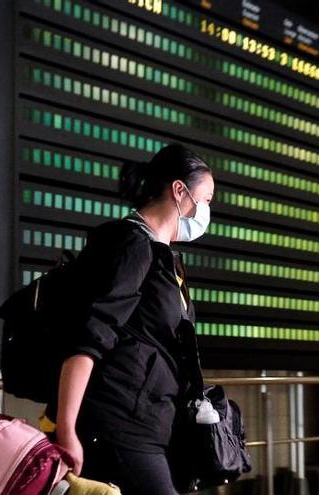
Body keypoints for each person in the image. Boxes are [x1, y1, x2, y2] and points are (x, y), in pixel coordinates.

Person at [52, 144, 214, 494]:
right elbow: (91, 336)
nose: (206, 211)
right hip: (119, 421)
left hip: (149, 423)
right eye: (207, 199)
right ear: (179, 191)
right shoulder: (131, 245)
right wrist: (67, 427)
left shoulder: (163, 256)